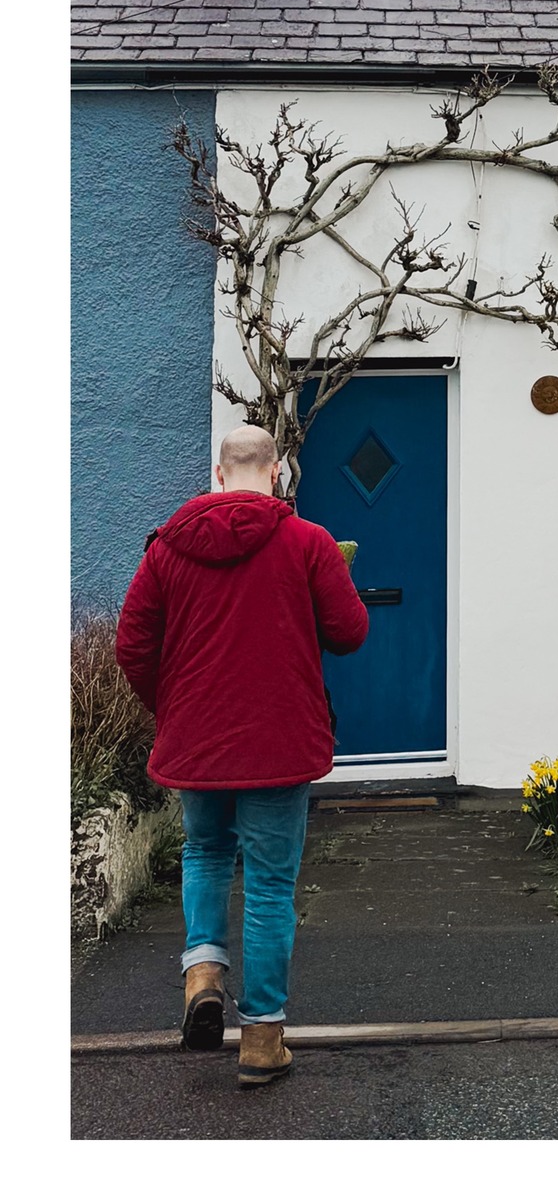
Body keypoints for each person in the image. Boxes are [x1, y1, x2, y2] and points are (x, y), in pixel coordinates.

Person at [116, 424, 369, 1088]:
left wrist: (170, 707)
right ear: (279, 470)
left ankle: (202, 972)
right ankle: (261, 1038)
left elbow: (132, 646)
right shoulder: (309, 543)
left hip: (196, 740)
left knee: (203, 853)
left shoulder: (166, 549)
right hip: (279, 743)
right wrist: (329, 583)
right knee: (268, 884)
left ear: (221, 473)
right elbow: (348, 633)